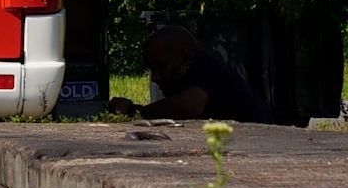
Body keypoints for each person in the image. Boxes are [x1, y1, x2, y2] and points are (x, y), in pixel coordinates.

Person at [106, 25, 276, 122]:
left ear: (184, 55)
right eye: (151, 69)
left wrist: (134, 113)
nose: (155, 78)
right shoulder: (204, 66)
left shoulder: (202, 66)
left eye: (160, 65)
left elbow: (189, 105)